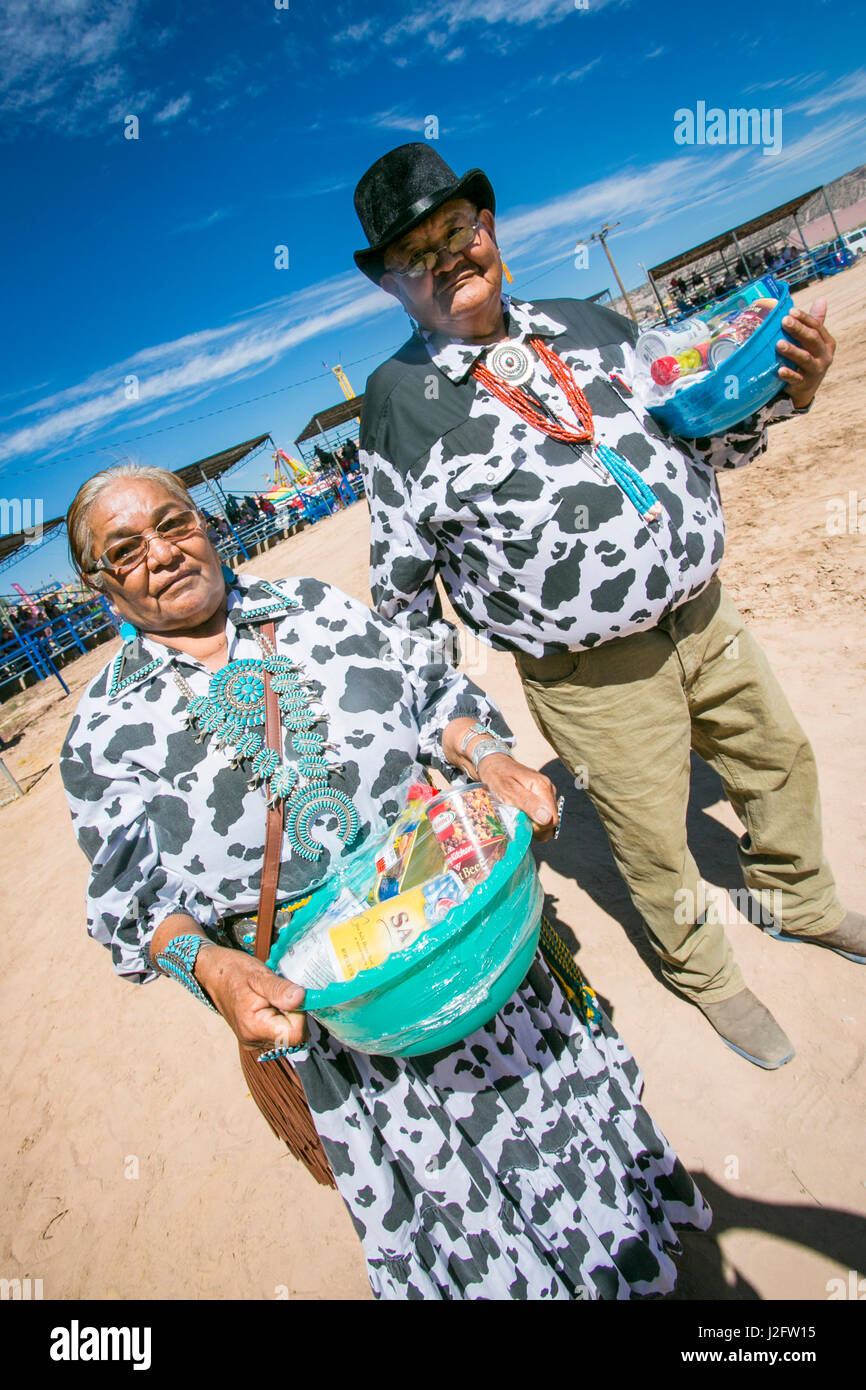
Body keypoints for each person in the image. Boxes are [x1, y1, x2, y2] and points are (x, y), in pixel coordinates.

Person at [60, 462, 711, 1300]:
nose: (164, 552)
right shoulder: (104, 732)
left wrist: (491, 756)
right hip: (353, 1017)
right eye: (126, 548)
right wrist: (215, 970)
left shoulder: (314, 608)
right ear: (98, 583)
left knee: (555, 1106)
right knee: (465, 1182)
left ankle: (632, 1251)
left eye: (175, 522)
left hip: (465, 924)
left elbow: (436, 692)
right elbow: (136, 906)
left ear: (204, 523)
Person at [351, 143, 864, 1073]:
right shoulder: (397, 405)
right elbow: (403, 602)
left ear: (488, 227)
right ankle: (704, 972)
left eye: (457, 231)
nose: (448, 260)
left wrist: (788, 396)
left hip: (706, 616)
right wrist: (464, 740)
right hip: (593, 676)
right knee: (652, 834)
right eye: (415, 255)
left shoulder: (591, 325)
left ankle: (801, 900)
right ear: (391, 285)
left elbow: (701, 441)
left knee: (778, 760)